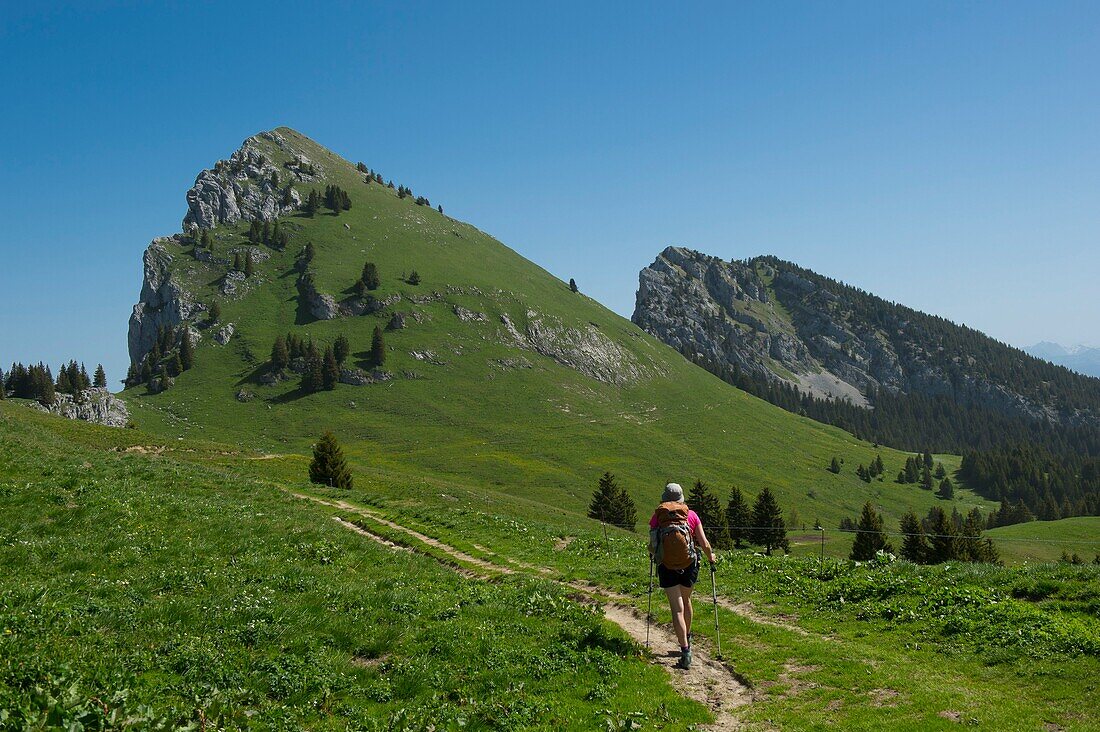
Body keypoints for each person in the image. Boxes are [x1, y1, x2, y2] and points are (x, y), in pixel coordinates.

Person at [649, 482, 715, 670]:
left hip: (667, 566)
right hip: (689, 565)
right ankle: (687, 637)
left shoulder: (658, 516)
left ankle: (685, 651)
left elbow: (653, 545)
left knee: (676, 609)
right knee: (686, 602)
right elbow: (704, 542)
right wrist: (711, 557)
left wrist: (653, 555)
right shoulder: (691, 515)